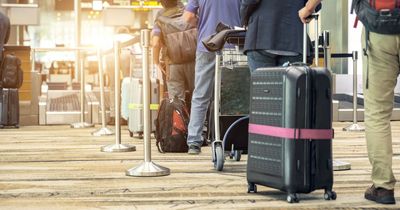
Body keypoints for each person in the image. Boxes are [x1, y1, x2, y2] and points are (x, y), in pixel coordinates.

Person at [183, 0, 241, 154]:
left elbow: (188, 17)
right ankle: (231, 139)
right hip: (232, 44)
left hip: (207, 44)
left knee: (201, 94)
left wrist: (202, 22)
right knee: (231, 97)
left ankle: (194, 141)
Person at [241, 0, 321, 72]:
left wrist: (244, 19)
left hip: (261, 36)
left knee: (263, 87)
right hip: (295, 40)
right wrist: (307, 9)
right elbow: (316, 6)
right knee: (291, 86)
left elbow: (249, 1)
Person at [152, 0, 195, 101]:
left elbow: (155, 43)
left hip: (173, 64)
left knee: (177, 101)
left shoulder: (159, 17)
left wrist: (156, 62)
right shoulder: (188, 11)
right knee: (199, 97)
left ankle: (179, 116)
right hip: (195, 61)